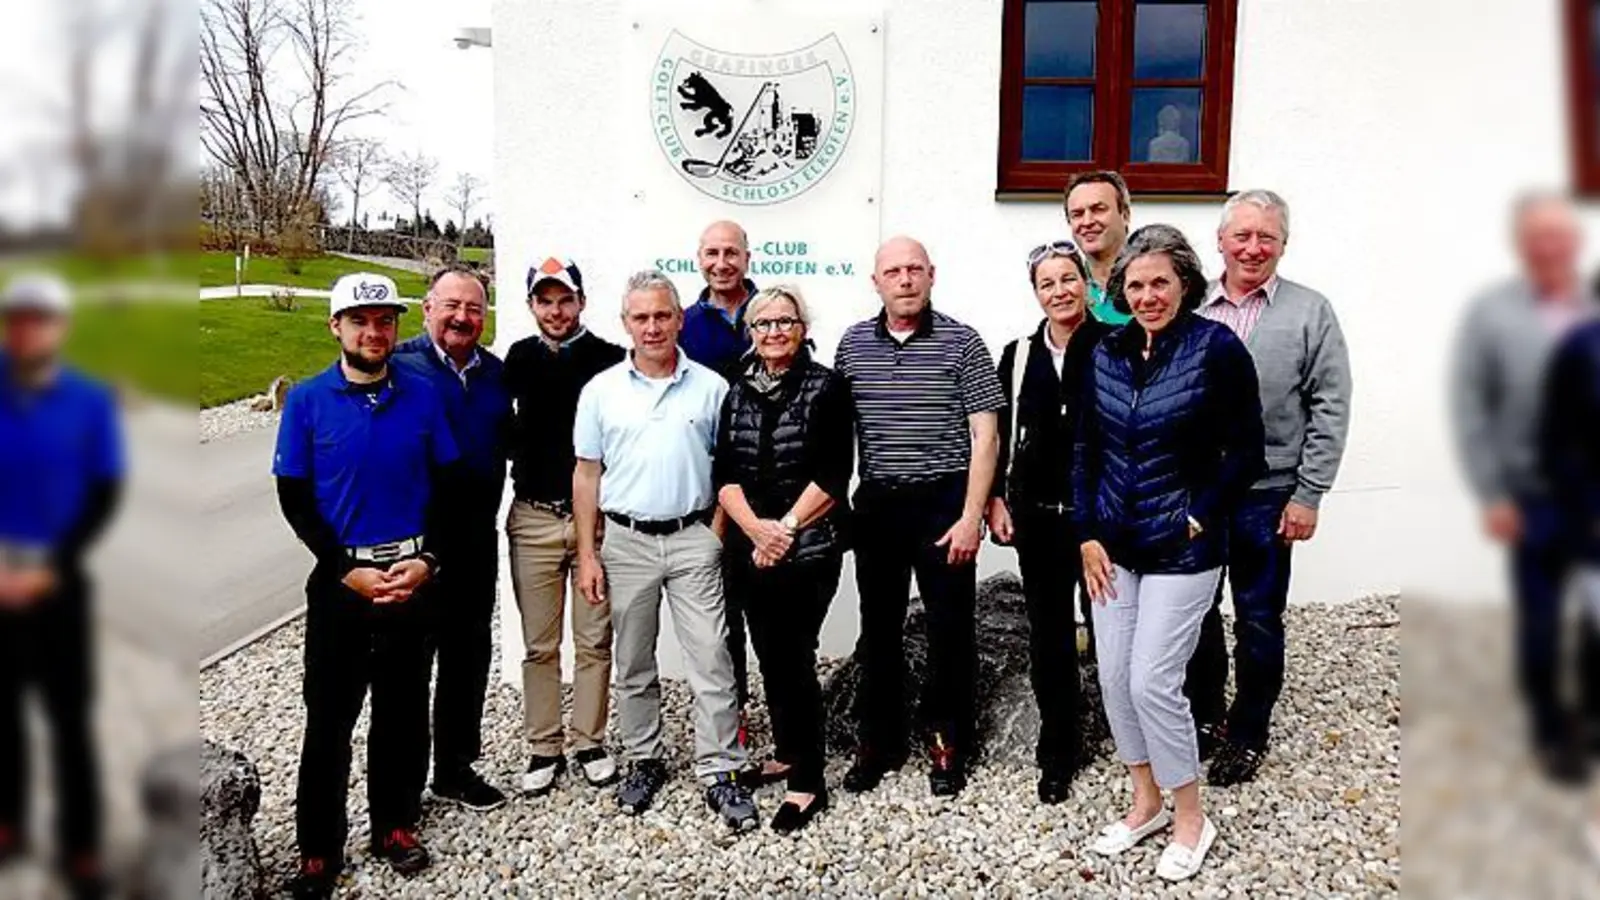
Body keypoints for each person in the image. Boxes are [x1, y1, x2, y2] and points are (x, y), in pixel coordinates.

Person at [1072, 225, 1264, 882]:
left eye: (1161, 282)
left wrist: (1198, 515)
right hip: (1114, 546)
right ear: (1119, 290)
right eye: (1136, 284)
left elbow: (1247, 453)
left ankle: (1191, 817)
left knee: (1153, 678)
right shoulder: (1103, 351)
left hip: (1184, 548)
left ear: (1185, 282)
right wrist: (1087, 533)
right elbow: (1085, 450)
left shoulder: (1216, 349)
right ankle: (1145, 801)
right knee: (1115, 677)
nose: (1149, 295)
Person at [274, 273, 459, 897]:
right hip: (341, 581)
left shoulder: (423, 397)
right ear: (337, 327)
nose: (374, 332)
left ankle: (395, 825)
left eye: (384, 321)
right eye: (360, 320)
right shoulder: (306, 400)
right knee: (328, 718)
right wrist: (342, 568)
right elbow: (294, 496)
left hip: (412, 575)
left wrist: (430, 560)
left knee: (405, 712)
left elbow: (450, 490)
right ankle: (319, 849)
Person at [572, 269, 758, 830]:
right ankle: (644, 758)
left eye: (662, 315)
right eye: (640, 317)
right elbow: (586, 475)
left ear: (680, 318)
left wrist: (716, 535)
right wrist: (587, 552)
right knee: (632, 661)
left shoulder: (712, 388)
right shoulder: (600, 390)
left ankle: (721, 767)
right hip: (626, 542)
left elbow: (731, 470)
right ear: (625, 324)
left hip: (693, 538)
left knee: (712, 657)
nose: (652, 327)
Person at [1182, 190, 1354, 786]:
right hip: (1197, 493)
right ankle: (1203, 716)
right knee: (1194, 611)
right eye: (1243, 236)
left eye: (1267, 238)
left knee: (1257, 618)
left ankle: (1249, 728)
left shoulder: (1310, 312)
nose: (1253, 248)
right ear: (1221, 242)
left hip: (1269, 493)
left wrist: (1309, 493)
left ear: (1284, 244)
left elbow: (1331, 405)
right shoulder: (1190, 304)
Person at [834, 236, 1005, 798]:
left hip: (944, 503)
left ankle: (947, 738)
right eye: (893, 271)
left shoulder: (963, 342)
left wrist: (970, 515)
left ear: (932, 274)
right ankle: (879, 741)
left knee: (949, 629)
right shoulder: (853, 345)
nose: (904, 279)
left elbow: (986, 436)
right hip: (880, 503)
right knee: (878, 629)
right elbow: (840, 437)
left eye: (914, 269)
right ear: (875, 280)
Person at [1451, 191, 1599, 783]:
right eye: (1538, 236)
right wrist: (1492, 493)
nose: (1551, 247)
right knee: (1540, 617)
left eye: (1560, 235)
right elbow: (1471, 406)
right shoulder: (1493, 313)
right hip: (1531, 495)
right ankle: (1549, 729)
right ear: (1521, 244)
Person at [713, 285, 854, 833]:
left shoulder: (827, 387)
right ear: (751, 332)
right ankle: (789, 753)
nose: (774, 332)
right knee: (769, 655)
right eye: (763, 323)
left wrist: (786, 530)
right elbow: (724, 472)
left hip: (809, 547)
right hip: (751, 546)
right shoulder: (737, 389)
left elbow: (834, 475)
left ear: (803, 326)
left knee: (793, 657)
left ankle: (808, 782)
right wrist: (754, 530)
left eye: (785, 321)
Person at [0, 274, 122, 900]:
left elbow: (103, 493)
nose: (28, 330)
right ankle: (10, 822)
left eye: (40, 319)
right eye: (17, 319)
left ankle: (80, 846)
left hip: (58, 576)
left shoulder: (87, 399)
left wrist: (52, 564)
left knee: (69, 718)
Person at [986, 241, 1112, 804]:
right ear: (1034, 292)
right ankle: (1059, 747)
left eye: (1069, 279)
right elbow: (995, 436)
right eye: (1047, 283)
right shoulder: (1015, 356)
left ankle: (1132, 737)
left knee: (1112, 633)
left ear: (1086, 283)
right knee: (1051, 637)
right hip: (1036, 520)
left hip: (1102, 520)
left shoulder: (1118, 347)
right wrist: (994, 498)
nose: (1059, 291)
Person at [502, 257, 626, 796]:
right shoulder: (518, 359)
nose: (556, 310)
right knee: (539, 643)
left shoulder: (610, 361)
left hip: (595, 523)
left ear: (581, 302)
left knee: (595, 639)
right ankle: (543, 745)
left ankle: (590, 740)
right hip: (532, 518)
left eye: (565, 299)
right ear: (532, 305)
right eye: (544, 300)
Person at [394, 264, 512, 812]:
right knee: (410, 665)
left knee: (469, 656)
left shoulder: (495, 372)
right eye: (452, 306)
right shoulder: (399, 368)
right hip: (414, 543)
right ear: (428, 309)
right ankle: (403, 784)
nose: (463, 318)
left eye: (474, 309)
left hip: (474, 539)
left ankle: (455, 768)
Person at [680, 220, 760, 742]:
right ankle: (734, 711)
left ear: (748, 258)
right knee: (721, 605)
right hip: (710, 484)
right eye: (712, 252)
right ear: (699, 259)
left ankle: (786, 700)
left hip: (770, 477)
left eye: (732, 252)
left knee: (770, 599)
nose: (722, 262)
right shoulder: (684, 324)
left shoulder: (770, 311)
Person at [1064, 170, 1134, 326]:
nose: (1087, 221)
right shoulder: (1066, 288)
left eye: (1098, 209)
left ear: (1125, 215)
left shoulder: (1153, 280)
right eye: (1077, 214)